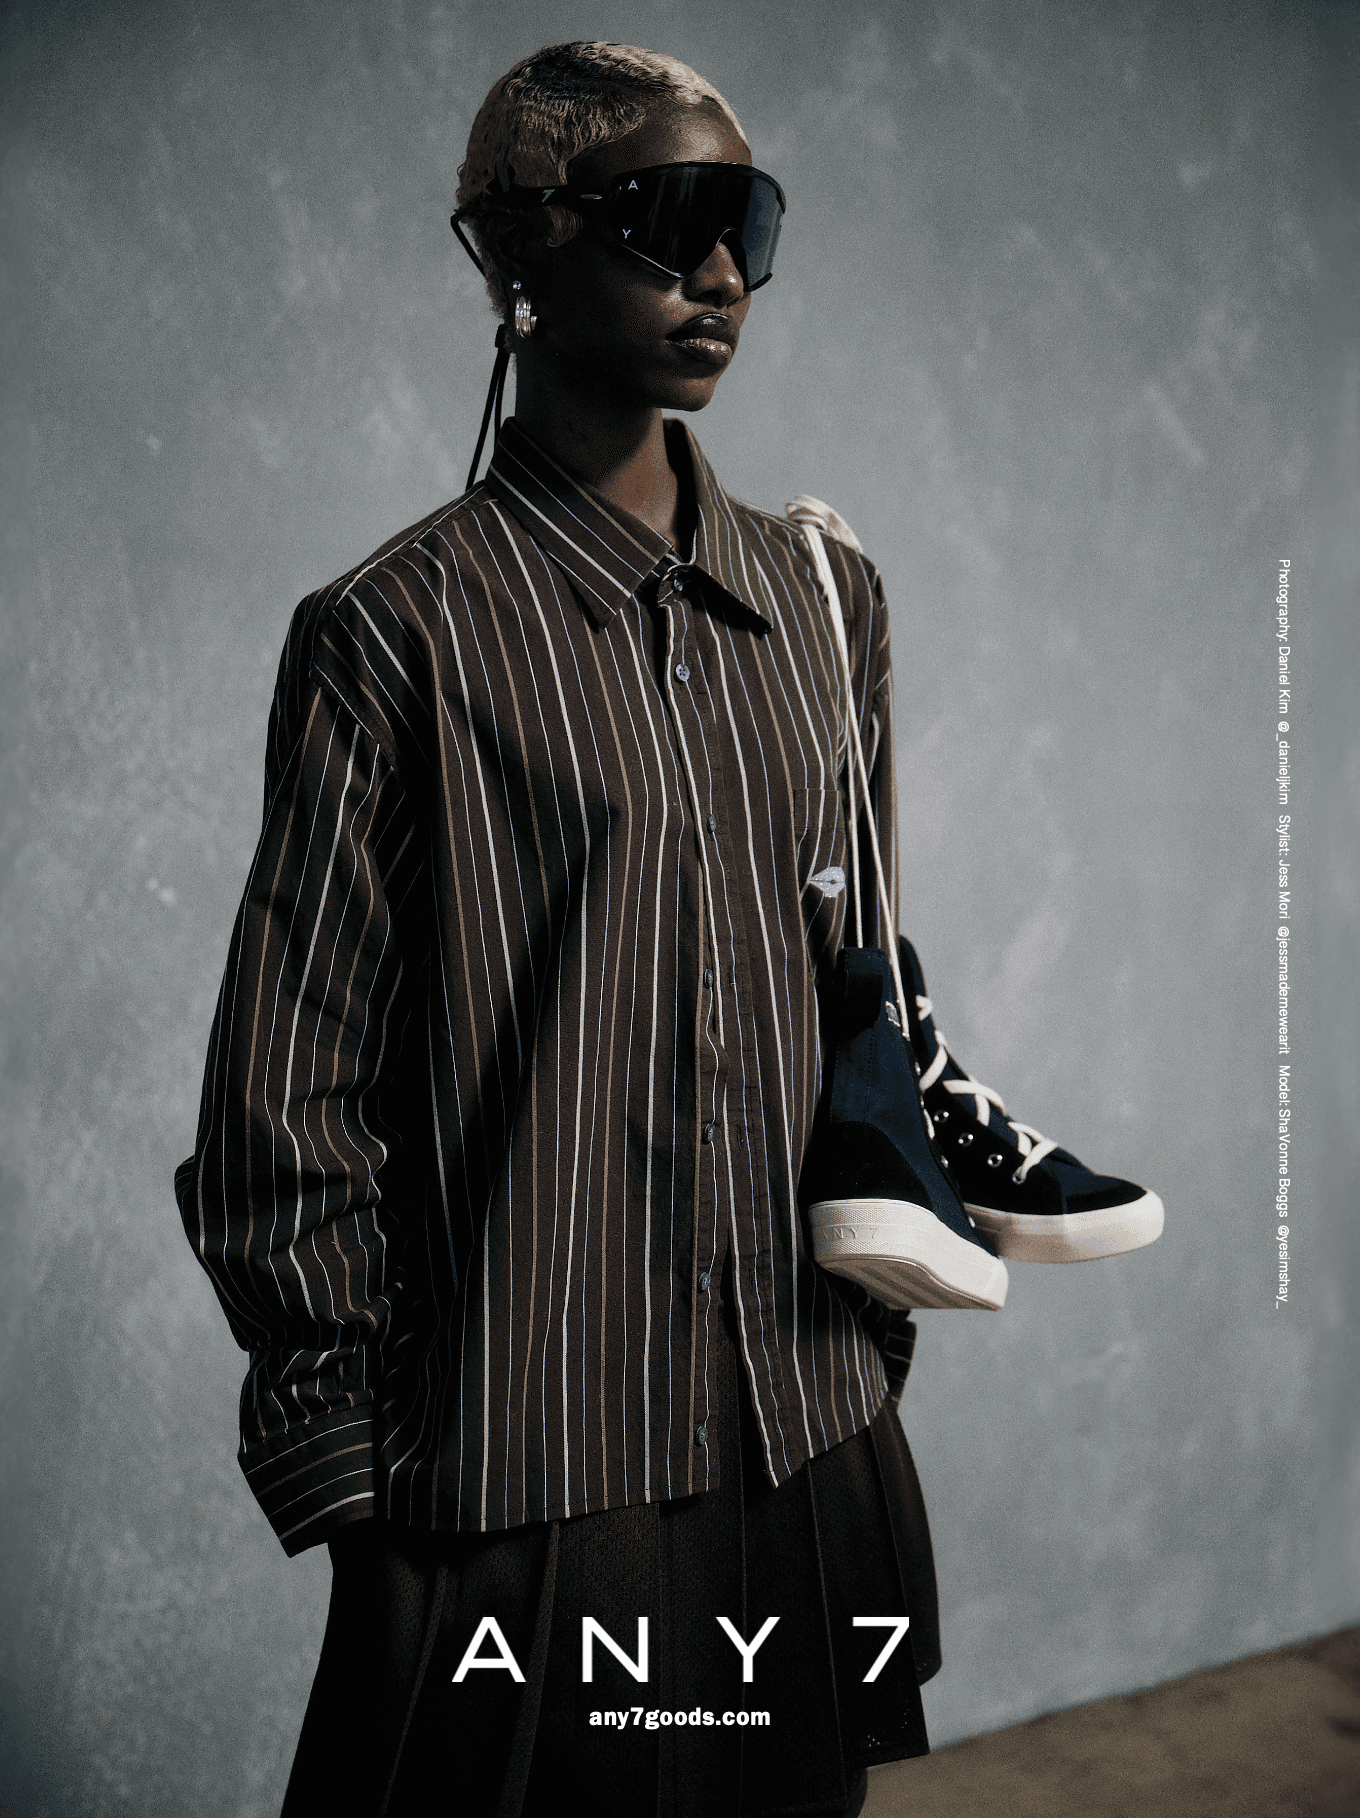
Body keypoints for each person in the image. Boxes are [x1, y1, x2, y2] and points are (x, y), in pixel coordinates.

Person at [175, 39, 1159, 1818]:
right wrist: (358, 1489)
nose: (719, 270)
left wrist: (864, 1342)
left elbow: (860, 991)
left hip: (806, 1433)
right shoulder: (395, 634)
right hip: (527, 1467)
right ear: (519, 248)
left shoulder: (827, 597)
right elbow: (284, 1101)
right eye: (667, 217)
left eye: (748, 224)